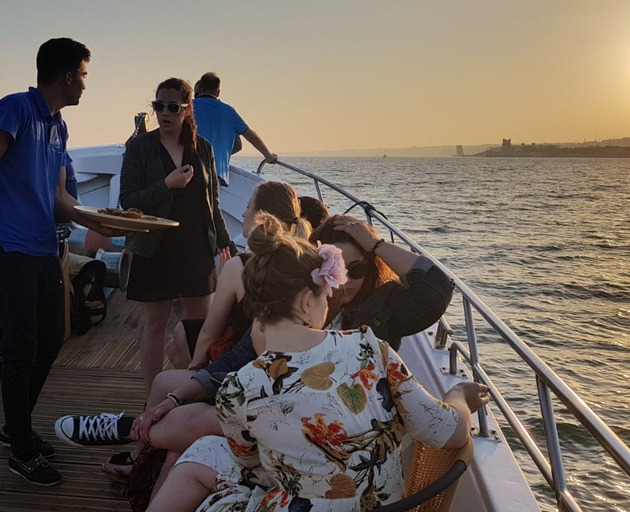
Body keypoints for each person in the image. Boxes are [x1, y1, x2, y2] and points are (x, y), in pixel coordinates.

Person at [54, 212, 454, 492]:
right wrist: (177, 395)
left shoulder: (380, 315)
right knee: (172, 393)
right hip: (282, 416)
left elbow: (437, 287)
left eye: (359, 268)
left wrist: (377, 242)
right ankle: (141, 454)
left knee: (195, 435)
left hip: (322, 435)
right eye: (336, 268)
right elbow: (238, 361)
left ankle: (131, 432)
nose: (343, 282)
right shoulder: (297, 313)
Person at [147, 213, 489, 511]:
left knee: (199, 454)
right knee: (199, 444)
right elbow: (451, 431)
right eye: (328, 288)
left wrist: (375, 244)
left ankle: (133, 438)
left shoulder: (239, 388)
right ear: (307, 301)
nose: (336, 292)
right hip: (379, 504)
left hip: (298, 496)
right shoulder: (371, 347)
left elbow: (253, 461)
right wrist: (458, 394)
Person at [0, 37, 119, 486]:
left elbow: (60, 199)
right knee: (19, 348)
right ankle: (22, 449)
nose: (86, 84)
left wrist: (103, 220)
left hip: (44, 248)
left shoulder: (59, 127)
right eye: (85, 75)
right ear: (68, 76)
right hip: (9, 249)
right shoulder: (15, 109)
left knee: (52, 338)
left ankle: (16, 425)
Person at [119, 77, 237, 394]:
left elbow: (213, 204)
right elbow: (127, 200)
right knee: (155, 325)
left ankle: (193, 392)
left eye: (173, 107)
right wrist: (166, 185)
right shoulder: (140, 147)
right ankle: (153, 398)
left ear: (187, 110)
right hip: (153, 247)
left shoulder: (204, 149)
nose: (164, 113)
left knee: (201, 331)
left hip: (196, 248)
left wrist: (226, 244)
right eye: (158, 106)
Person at [166, 181, 312, 370]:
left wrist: (194, 378)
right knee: (176, 342)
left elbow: (210, 332)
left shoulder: (242, 266)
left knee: (179, 339)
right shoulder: (308, 262)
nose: (243, 214)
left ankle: (200, 396)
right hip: (290, 361)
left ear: (263, 216)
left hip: (243, 362)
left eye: (248, 207)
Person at [193, 71, 277, 187]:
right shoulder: (229, 111)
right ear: (218, 92)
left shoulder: (188, 108)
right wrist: (268, 155)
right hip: (217, 174)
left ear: (200, 89)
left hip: (191, 170)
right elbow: (251, 135)